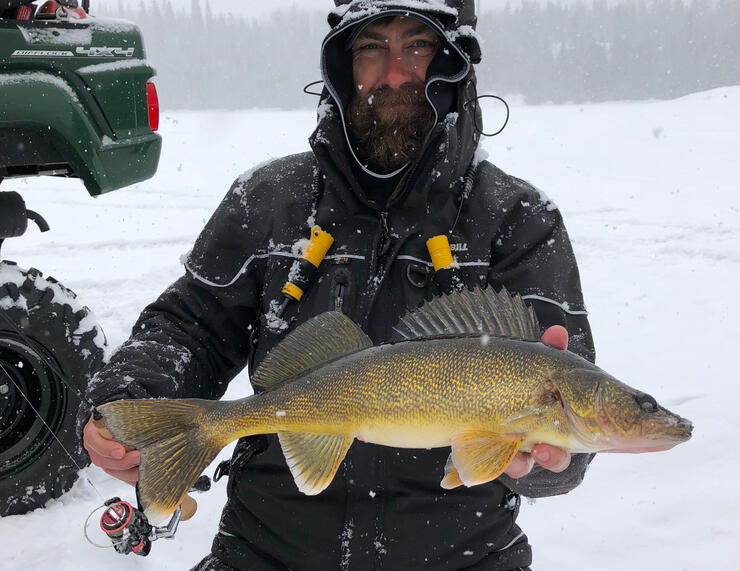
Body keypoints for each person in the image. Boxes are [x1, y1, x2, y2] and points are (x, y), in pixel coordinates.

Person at [81, 1, 595, 569]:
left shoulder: (518, 218)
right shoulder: (269, 198)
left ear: (455, 63)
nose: (394, 73)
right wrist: (134, 393)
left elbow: (573, 430)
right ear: (342, 65)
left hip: (465, 555)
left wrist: (550, 461)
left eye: (417, 47)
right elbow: (192, 326)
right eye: (372, 48)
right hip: (263, 549)